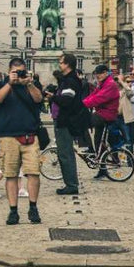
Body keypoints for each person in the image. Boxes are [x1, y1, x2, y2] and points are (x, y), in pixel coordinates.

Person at [0, 58, 43, 225]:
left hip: (30, 135)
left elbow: (38, 99)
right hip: (8, 136)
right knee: (11, 174)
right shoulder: (2, 85)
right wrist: (10, 83)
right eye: (16, 71)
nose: (19, 74)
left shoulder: (31, 85)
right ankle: (13, 211)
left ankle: (33, 208)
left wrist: (28, 83)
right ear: (9, 71)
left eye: (21, 71)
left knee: (34, 173)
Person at [50, 53, 88, 195]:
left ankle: (71, 185)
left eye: (61, 62)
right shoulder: (67, 80)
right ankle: (70, 183)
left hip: (65, 121)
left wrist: (53, 97)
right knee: (64, 152)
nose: (59, 65)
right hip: (63, 120)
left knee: (65, 153)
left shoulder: (70, 81)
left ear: (67, 64)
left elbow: (66, 101)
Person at [83, 64, 120, 179]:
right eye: (96, 74)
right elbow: (93, 95)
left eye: (99, 73)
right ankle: (102, 169)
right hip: (102, 114)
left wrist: (82, 105)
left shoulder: (110, 84)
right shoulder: (102, 84)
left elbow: (99, 98)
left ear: (105, 73)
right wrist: (81, 103)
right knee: (99, 142)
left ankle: (90, 150)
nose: (97, 76)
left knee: (82, 122)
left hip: (106, 115)